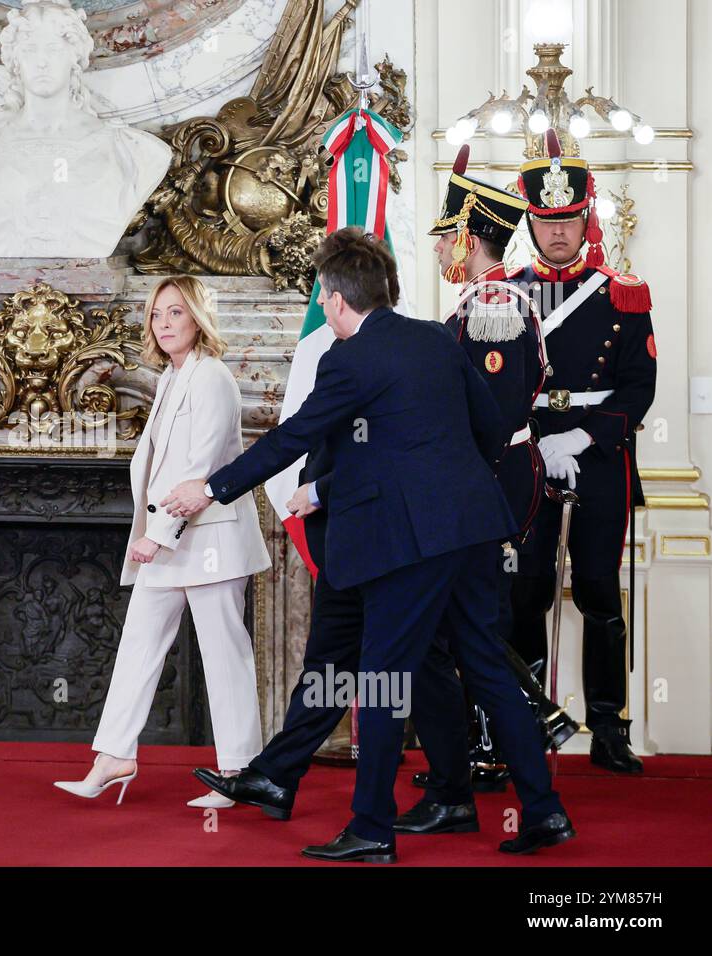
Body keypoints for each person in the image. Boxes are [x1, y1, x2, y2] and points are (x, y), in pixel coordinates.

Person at [163, 228, 573, 861]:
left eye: (323, 299)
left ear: (334, 299)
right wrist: (447, 487)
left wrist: (211, 488)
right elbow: (490, 429)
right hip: (471, 528)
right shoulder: (436, 339)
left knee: (382, 681)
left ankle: (372, 830)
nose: (323, 308)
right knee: (489, 672)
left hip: (407, 545)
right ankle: (545, 813)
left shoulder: (348, 358)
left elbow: (293, 437)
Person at [52, 276, 270, 806]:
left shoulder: (212, 377)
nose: (165, 323)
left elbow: (198, 473)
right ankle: (114, 756)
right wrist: (151, 535)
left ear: (197, 317)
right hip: (170, 541)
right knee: (138, 646)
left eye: (176, 313)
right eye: (156, 315)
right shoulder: (172, 377)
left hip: (209, 541)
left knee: (225, 656)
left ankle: (240, 772)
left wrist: (156, 537)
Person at [409, 146, 581, 798]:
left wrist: (456, 483)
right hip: (483, 477)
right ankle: (487, 744)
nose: (437, 252)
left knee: (480, 614)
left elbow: (495, 411)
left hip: (493, 476)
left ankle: (497, 744)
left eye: (445, 239)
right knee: (469, 615)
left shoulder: (496, 304)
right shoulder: (483, 300)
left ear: (470, 237)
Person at [506, 130, 657, 774]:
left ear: (585, 218)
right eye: (547, 221)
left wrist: (585, 436)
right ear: (531, 222)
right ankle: (526, 721)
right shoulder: (503, 293)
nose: (559, 232)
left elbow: (639, 386)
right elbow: (491, 382)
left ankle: (607, 727)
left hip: (598, 458)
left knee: (599, 591)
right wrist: (538, 440)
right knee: (527, 592)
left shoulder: (623, 293)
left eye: (568, 220)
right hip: (530, 455)